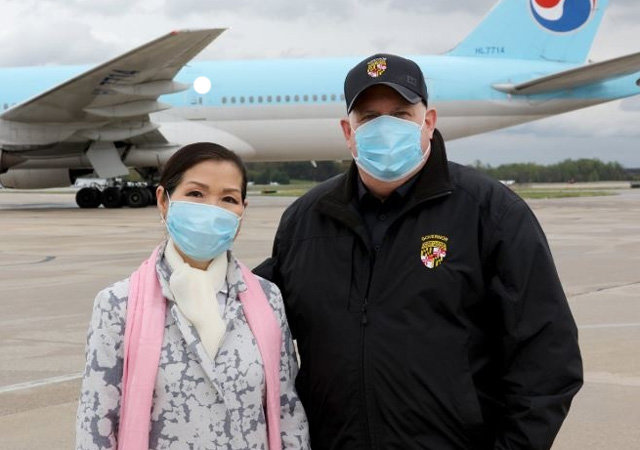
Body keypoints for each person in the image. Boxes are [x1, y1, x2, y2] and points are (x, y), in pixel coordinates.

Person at [254, 54, 583, 450]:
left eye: (401, 114)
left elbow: (548, 357)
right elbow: (252, 317)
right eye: (369, 117)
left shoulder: (490, 212)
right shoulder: (305, 222)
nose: (385, 127)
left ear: (428, 121)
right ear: (348, 131)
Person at [76, 142, 309, 450]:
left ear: (242, 211)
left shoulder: (267, 299)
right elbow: (96, 425)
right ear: (163, 200)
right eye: (196, 194)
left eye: (228, 198)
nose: (212, 209)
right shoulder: (118, 304)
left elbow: (287, 410)